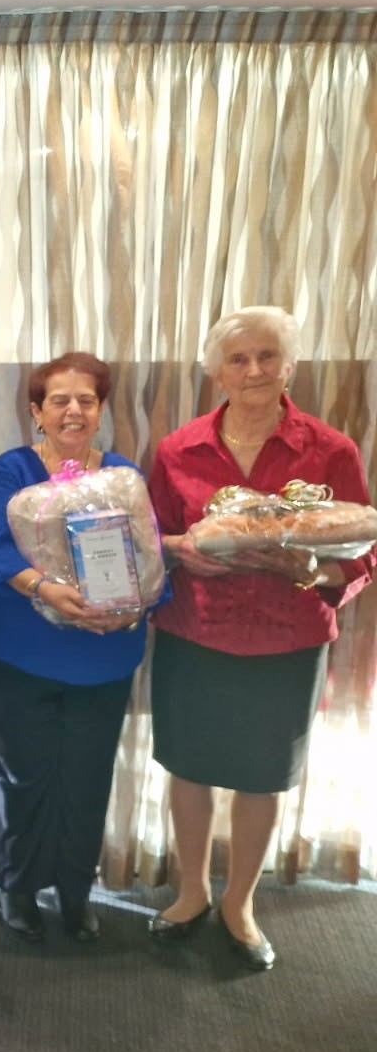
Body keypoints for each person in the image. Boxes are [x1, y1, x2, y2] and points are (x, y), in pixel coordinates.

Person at [147, 306, 373, 971]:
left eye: (267, 356)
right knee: (189, 769)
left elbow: (361, 550)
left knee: (263, 778)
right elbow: (151, 537)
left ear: (289, 365)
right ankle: (191, 892)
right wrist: (182, 551)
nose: (253, 370)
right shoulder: (178, 449)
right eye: (238, 359)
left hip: (288, 641)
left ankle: (239, 903)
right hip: (197, 632)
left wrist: (310, 570)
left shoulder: (331, 451)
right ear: (217, 372)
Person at [0, 353, 164, 942]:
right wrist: (44, 588)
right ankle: (18, 887)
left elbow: (152, 555)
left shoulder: (124, 476)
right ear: (37, 411)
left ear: (102, 409)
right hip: (22, 652)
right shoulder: (13, 470)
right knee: (21, 776)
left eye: (86, 399)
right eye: (59, 400)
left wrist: (136, 608)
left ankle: (76, 891)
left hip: (103, 654)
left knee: (87, 779)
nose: (73, 411)